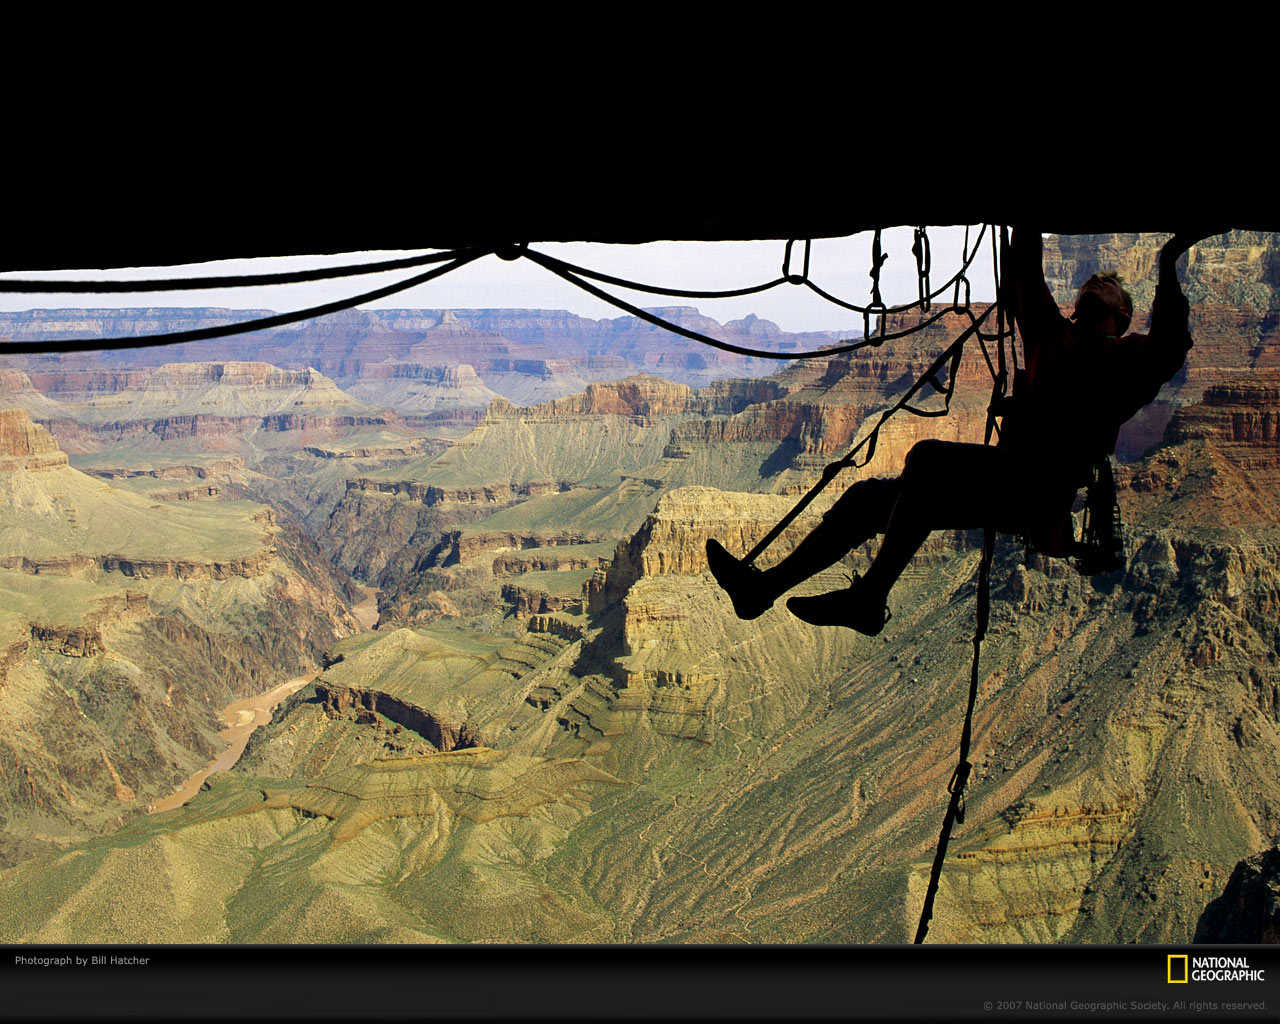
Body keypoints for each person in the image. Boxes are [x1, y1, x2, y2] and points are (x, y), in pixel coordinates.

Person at [706, 227, 1219, 635]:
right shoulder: (1051, 336)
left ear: (1123, 315)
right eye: (1089, 283)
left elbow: (1170, 346)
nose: (1092, 285)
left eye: (1105, 287)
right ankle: (761, 590)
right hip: (1006, 479)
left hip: (1040, 492)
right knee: (866, 500)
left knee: (927, 460)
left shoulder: (1128, 362)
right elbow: (1024, 270)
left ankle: (870, 597)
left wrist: (1169, 258)